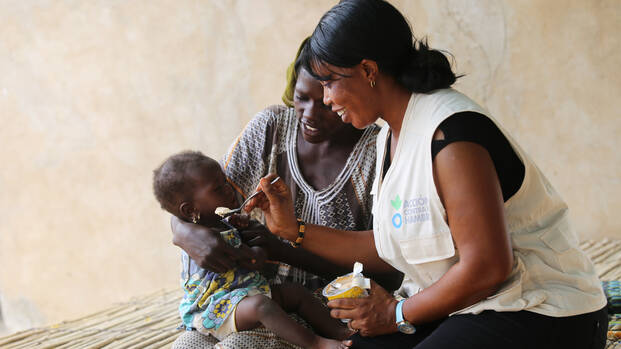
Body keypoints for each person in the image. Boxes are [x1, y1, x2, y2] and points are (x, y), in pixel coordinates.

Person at [244, 1, 609, 348]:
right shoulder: (391, 134)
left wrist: (395, 312)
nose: (325, 99)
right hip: (466, 308)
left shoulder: (451, 138)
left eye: (329, 82)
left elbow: (488, 267)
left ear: (369, 71)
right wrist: (293, 230)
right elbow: (390, 246)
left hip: (540, 310)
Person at [170, 39, 400, 348]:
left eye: (325, 103)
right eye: (301, 98)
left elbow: (387, 270)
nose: (309, 114)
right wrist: (185, 233)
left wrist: (282, 249)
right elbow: (200, 200)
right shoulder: (270, 129)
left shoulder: (377, 152)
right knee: (186, 345)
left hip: (324, 309)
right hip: (245, 295)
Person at [153, 150, 354, 348]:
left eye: (225, 182)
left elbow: (251, 260)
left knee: (295, 293)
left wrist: (250, 241)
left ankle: (341, 332)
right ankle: (316, 343)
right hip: (215, 309)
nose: (228, 189)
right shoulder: (203, 240)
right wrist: (253, 253)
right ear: (190, 210)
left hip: (245, 294)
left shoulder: (224, 221)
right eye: (218, 189)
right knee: (262, 307)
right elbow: (244, 261)